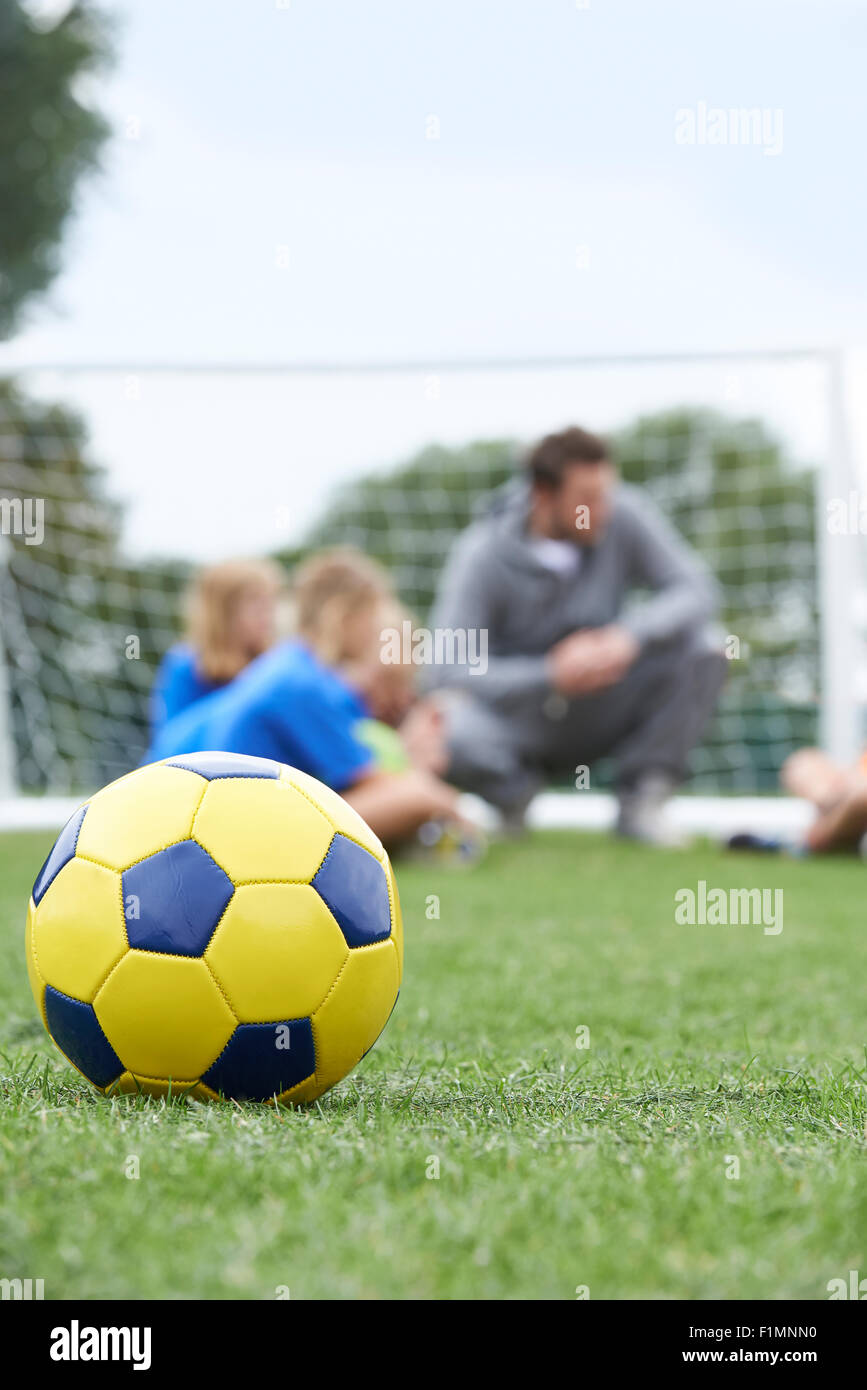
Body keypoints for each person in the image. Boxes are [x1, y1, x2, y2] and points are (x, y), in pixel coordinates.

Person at [426, 426, 727, 844]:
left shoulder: (623, 515)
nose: (601, 509)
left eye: (606, 494)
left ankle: (642, 801)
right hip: (521, 720)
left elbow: (697, 591)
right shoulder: (482, 554)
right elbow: (445, 671)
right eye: (587, 499)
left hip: (604, 702)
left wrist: (628, 636)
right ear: (544, 495)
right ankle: (514, 797)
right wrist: (549, 673)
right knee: (443, 725)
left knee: (706, 646)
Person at [148, 549, 475, 851]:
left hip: (208, 814)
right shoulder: (302, 681)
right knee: (419, 796)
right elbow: (366, 781)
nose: (379, 629)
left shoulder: (293, 664)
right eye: (374, 616)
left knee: (413, 793)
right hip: (217, 829)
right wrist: (448, 800)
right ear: (346, 616)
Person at [150, 558, 286, 738]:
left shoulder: (272, 662)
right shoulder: (187, 665)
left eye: (270, 604)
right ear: (223, 610)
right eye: (256, 604)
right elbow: (172, 740)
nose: (267, 616)